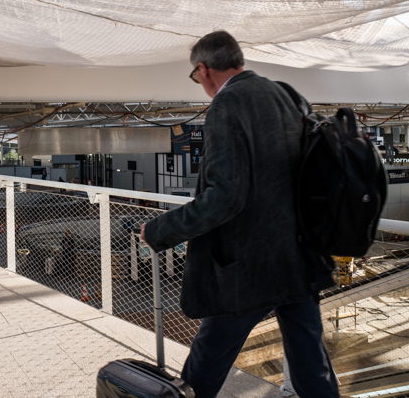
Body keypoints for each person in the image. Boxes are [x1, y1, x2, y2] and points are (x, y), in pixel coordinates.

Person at [140, 31, 339, 398]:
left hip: (247, 267)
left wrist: (159, 230)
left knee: (209, 356)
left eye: (196, 76)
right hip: (299, 256)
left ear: (203, 69)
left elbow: (224, 197)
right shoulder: (287, 94)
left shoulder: (227, 104)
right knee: (312, 361)